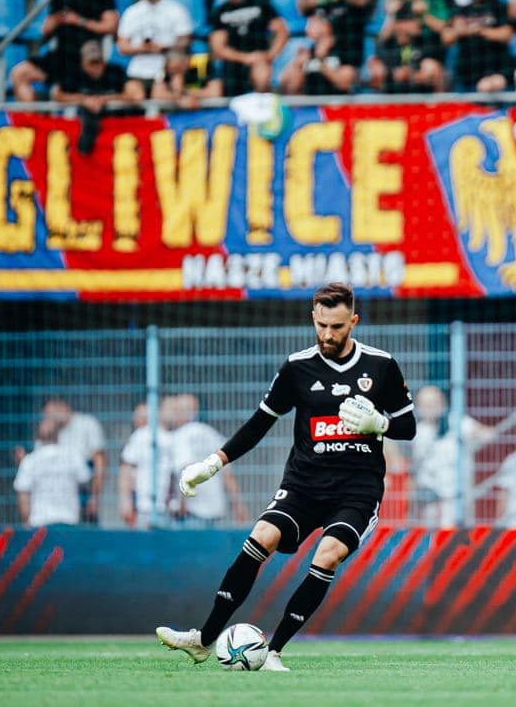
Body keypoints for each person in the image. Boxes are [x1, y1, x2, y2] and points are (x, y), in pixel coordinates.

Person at [155, 282, 417, 671]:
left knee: (328, 553)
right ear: (313, 318)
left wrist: (380, 424)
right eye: (322, 325)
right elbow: (258, 424)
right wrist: (211, 464)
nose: (328, 334)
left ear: (353, 322)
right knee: (261, 536)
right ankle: (203, 640)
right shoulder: (297, 368)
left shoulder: (381, 366)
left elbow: (408, 427)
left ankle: (273, 651)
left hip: (356, 491)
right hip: (303, 485)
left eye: (338, 327)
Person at [11, 0, 119, 102]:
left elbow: (111, 26)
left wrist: (79, 21)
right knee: (19, 73)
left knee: (61, 92)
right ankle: (31, 115)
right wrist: (55, 22)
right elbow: (45, 30)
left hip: (86, 58)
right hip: (61, 57)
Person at [410, 385, 495, 528]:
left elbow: (487, 434)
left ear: (443, 403)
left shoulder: (457, 422)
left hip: (457, 496)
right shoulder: (417, 432)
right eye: (424, 404)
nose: (429, 407)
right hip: (430, 497)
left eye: (433, 402)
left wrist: (476, 439)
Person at [167, 393, 246, 527]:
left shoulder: (180, 436)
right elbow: (227, 474)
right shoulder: (212, 434)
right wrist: (238, 505)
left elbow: (187, 470)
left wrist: (182, 502)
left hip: (191, 510)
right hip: (215, 507)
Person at [208, 0, 289, 96]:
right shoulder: (220, 12)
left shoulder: (261, 4)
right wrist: (245, 58)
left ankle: (264, 104)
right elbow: (218, 47)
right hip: (234, 63)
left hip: (261, 59)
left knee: (261, 72)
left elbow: (282, 31)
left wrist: (269, 55)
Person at [116, 0, 195, 102]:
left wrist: (163, 47)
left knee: (165, 93)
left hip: (167, 67)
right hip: (138, 68)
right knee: (134, 94)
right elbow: (122, 46)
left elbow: (186, 39)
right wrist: (143, 48)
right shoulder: (132, 12)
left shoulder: (175, 9)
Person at [368, 0, 447, 93]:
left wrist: (423, 15)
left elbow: (443, 29)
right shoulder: (394, 2)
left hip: (422, 52)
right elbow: (383, 37)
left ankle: (438, 104)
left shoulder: (431, 0)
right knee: (376, 67)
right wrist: (392, 15)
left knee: (432, 68)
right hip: (395, 54)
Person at [53, 42, 137, 155]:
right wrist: (84, 100)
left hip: (117, 128)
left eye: (99, 62)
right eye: (92, 63)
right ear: (83, 63)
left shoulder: (115, 72)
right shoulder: (75, 75)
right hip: (85, 122)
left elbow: (134, 95)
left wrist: (105, 99)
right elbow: (57, 95)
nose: (97, 66)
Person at [14, 413, 92, 528]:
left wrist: (26, 522)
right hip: (68, 520)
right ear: (58, 434)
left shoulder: (30, 461)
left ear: (38, 437)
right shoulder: (72, 457)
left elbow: (23, 494)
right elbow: (85, 480)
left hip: (39, 523)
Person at [446, 0, 515, 93]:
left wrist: (479, 30)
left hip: (496, 69)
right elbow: (447, 38)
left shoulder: (500, 7)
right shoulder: (461, 11)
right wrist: (457, 31)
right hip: (467, 72)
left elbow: (507, 34)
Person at [40, 396, 107, 524]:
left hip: (82, 488)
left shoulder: (86, 424)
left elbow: (99, 462)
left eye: (50, 415)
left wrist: (94, 497)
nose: (49, 419)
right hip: (53, 494)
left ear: (63, 407)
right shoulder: (50, 432)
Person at [118, 402, 175, 529]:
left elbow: (126, 469)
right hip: (166, 506)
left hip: (143, 505)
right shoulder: (171, 438)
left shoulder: (140, 436)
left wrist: (125, 501)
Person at [279, 12, 357, 96]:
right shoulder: (306, 50)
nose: (308, 26)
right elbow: (288, 87)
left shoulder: (342, 48)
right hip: (310, 101)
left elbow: (345, 84)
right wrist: (297, 65)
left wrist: (321, 61)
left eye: (315, 22)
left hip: (337, 101)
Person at [151, 49, 224, 108]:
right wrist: (178, 97)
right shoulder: (164, 71)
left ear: (186, 62)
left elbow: (215, 92)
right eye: (171, 69)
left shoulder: (202, 67)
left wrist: (186, 93)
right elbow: (157, 94)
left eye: (178, 68)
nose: (175, 73)